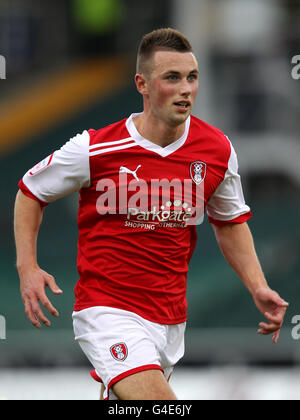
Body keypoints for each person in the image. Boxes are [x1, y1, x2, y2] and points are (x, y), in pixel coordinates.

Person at [14, 28, 288, 401]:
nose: (186, 88)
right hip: (107, 311)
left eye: (192, 77)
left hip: (169, 318)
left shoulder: (217, 150)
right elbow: (30, 192)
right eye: (172, 78)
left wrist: (258, 286)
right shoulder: (94, 148)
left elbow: (230, 223)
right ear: (142, 84)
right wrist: (27, 267)